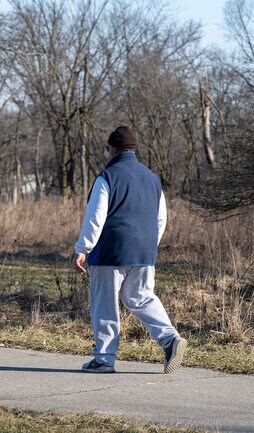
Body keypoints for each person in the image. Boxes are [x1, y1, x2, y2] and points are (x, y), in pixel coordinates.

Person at [72, 125, 187, 374]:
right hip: (144, 253)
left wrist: (83, 247)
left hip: (110, 252)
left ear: (113, 148)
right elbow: (161, 219)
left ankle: (104, 358)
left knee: (104, 302)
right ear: (133, 149)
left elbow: (96, 216)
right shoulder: (153, 179)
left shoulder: (108, 176)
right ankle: (169, 339)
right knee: (142, 297)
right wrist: (148, 245)